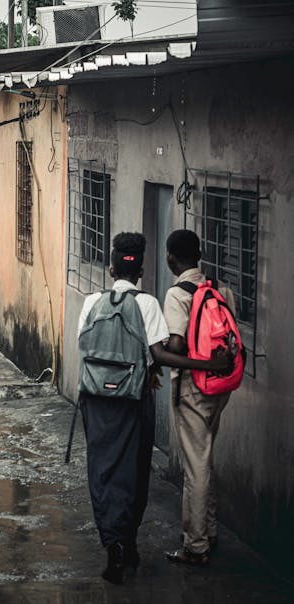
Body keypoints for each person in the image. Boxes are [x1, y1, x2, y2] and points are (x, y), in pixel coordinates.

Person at [77, 232, 229, 584]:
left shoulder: (90, 302)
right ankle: (128, 542)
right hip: (133, 400)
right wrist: (152, 370)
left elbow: (83, 348)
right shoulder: (148, 304)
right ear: (141, 269)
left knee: (101, 471)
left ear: (111, 266)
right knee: (133, 471)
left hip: (96, 401)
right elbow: (159, 353)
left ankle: (112, 545)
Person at [163, 229, 236, 566]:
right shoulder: (222, 290)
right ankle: (210, 531)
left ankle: (195, 546)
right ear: (201, 253)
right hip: (220, 388)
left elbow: (176, 345)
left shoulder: (178, 294)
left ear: (171, 259)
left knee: (196, 466)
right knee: (206, 457)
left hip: (193, 387)